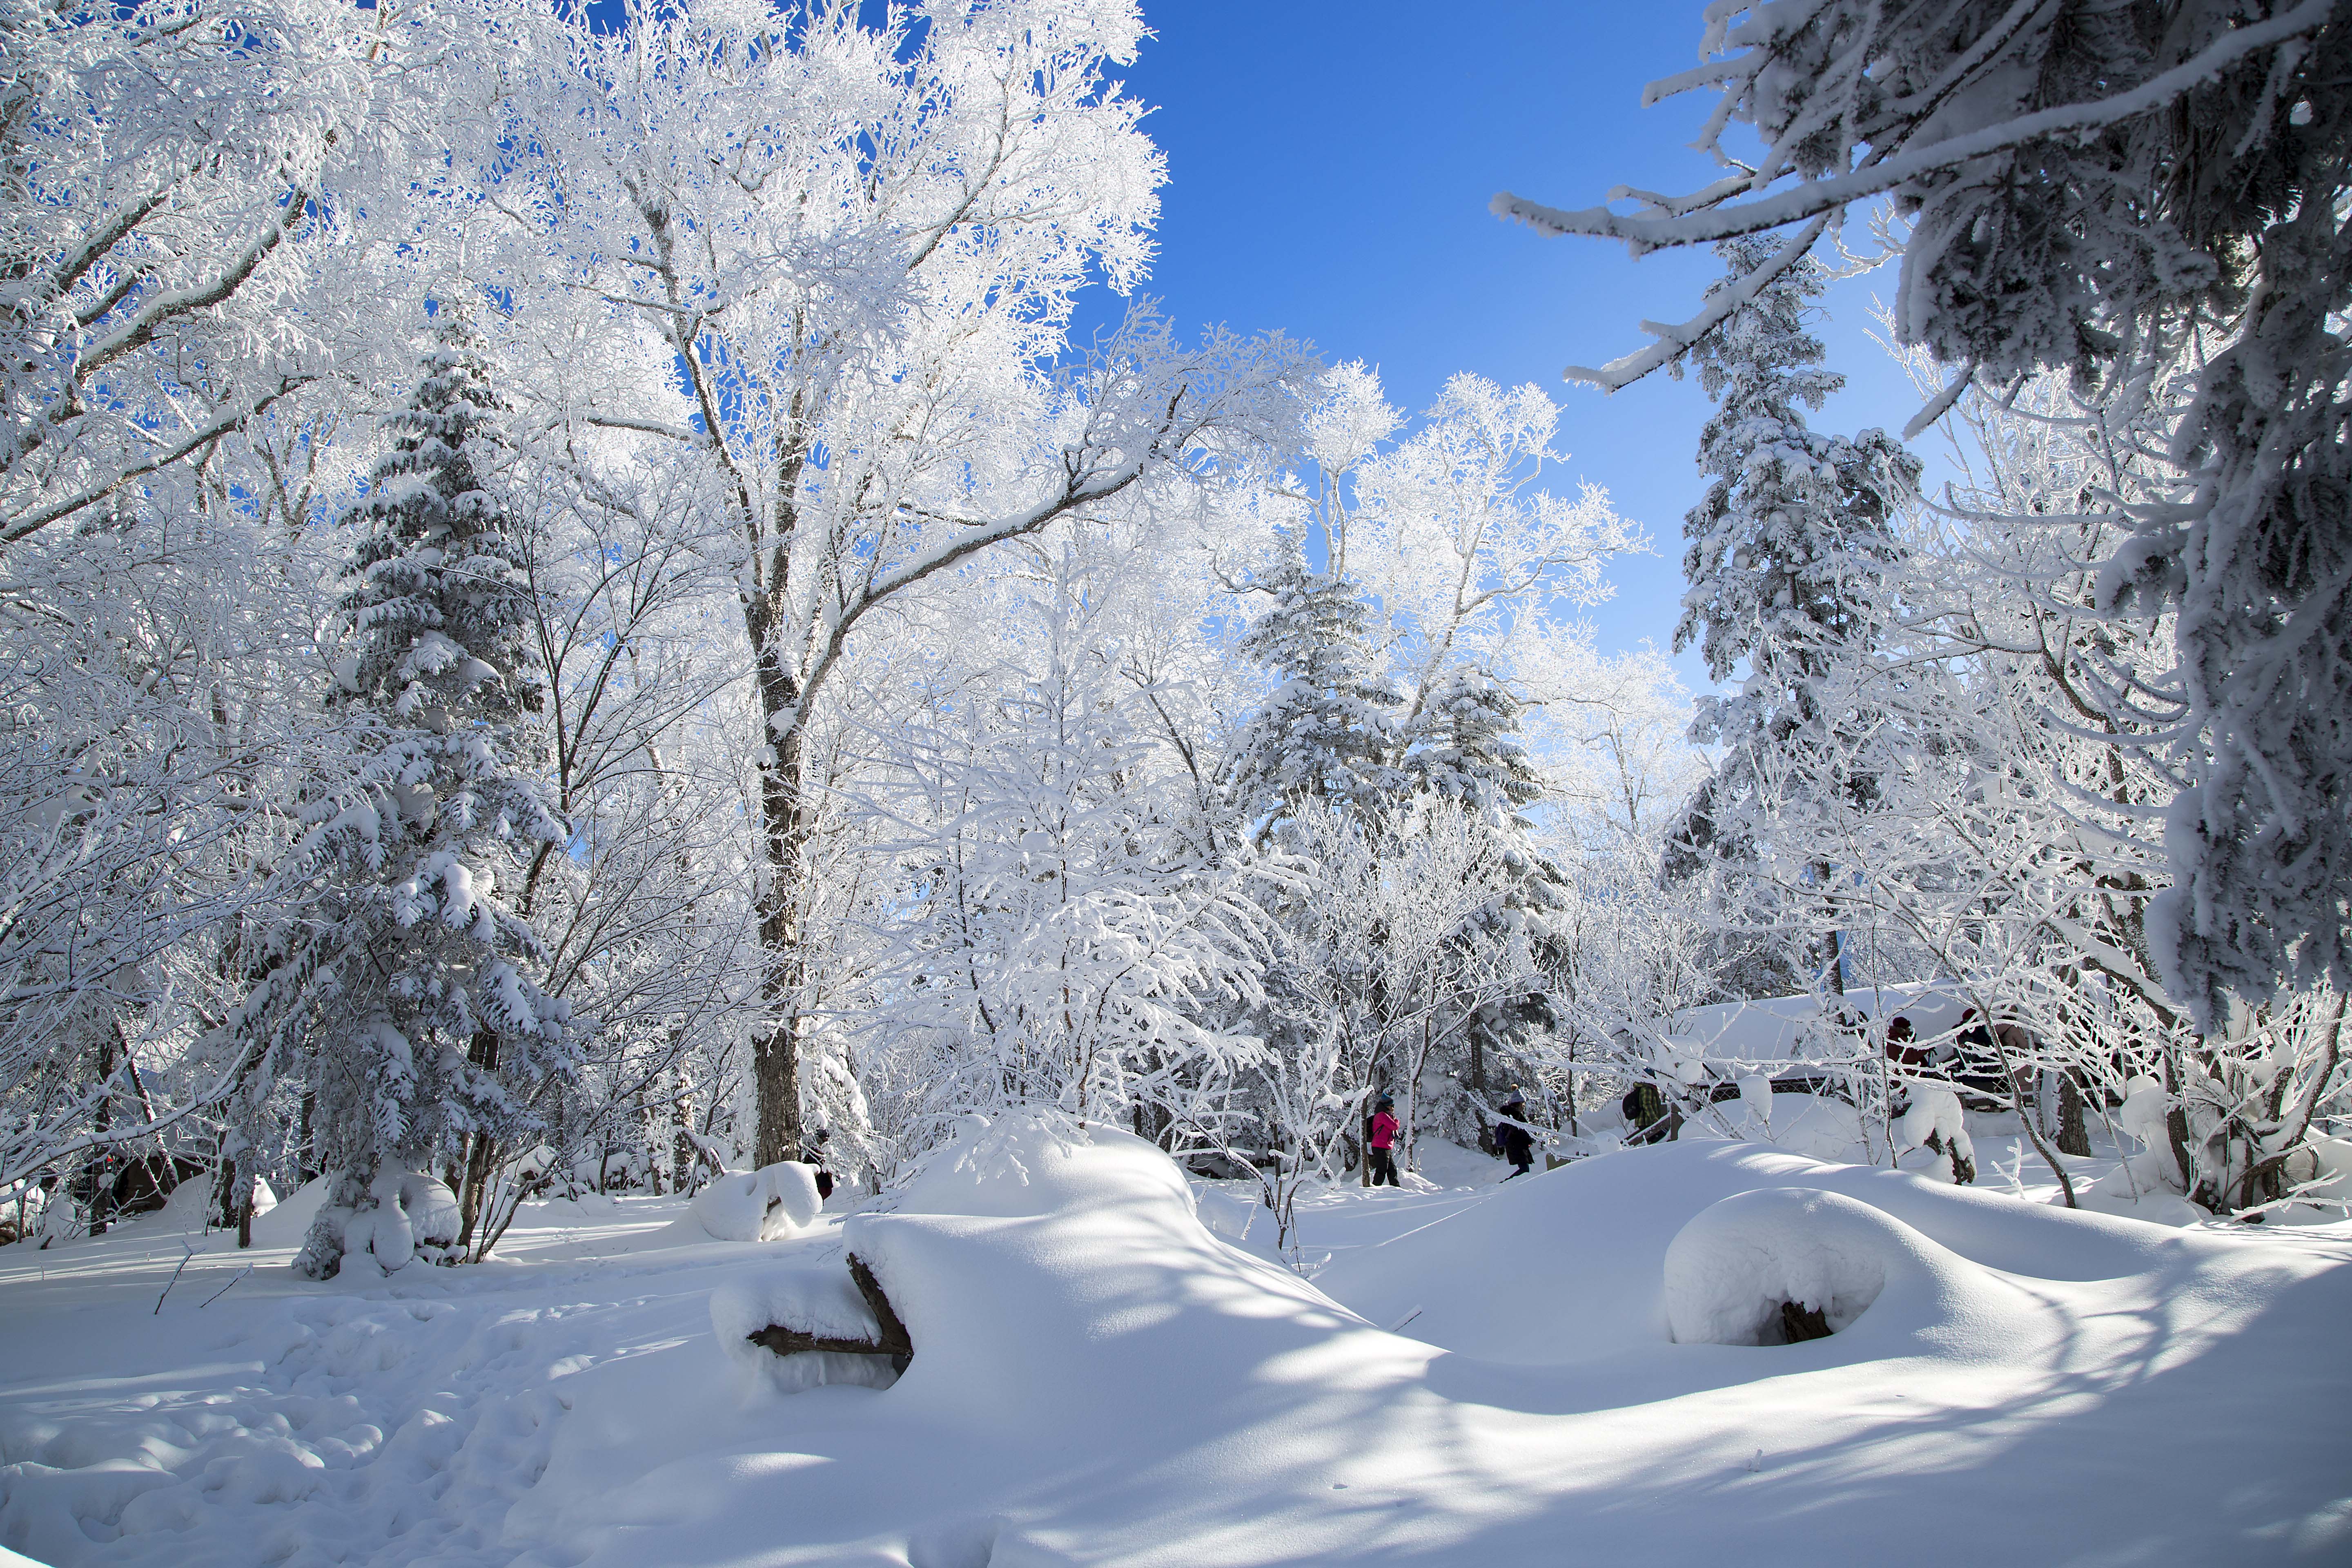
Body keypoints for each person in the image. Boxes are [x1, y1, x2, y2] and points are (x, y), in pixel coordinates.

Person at [1496, 1097, 1535, 1180]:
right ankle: (1508, 1183)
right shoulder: (1514, 1116)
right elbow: (1518, 1133)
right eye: (1522, 1104)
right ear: (1517, 1104)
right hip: (1517, 1147)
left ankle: (1511, 1183)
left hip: (1516, 1147)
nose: (1523, 1107)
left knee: (1524, 1169)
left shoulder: (1512, 1115)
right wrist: (1527, 1139)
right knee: (1525, 1169)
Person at [1366, 1095, 1400, 1187]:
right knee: (1382, 1170)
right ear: (1386, 1106)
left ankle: (1397, 1189)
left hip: (1385, 1146)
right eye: (1392, 1105)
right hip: (1380, 1146)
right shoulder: (1382, 1115)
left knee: (1392, 1170)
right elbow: (1394, 1126)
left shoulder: (1385, 1115)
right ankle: (1374, 1190)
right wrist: (1396, 1121)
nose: (1393, 1108)